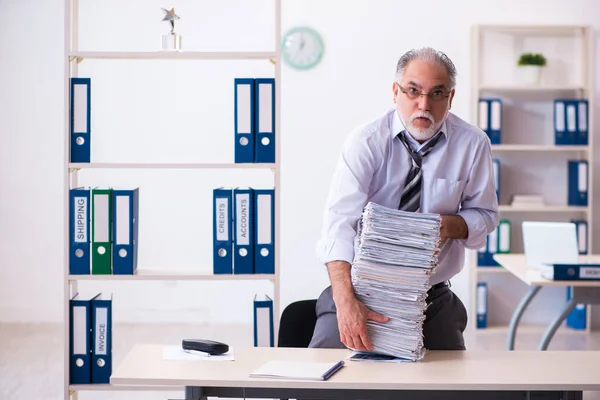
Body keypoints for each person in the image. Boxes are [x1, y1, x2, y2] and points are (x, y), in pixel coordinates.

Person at [309, 47, 499, 352]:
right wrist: (345, 302)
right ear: (396, 92)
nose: (424, 104)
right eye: (413, 91)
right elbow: (338, 226)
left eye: (437, 93)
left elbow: (486, 216)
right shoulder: (366, 141)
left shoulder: (473, 144)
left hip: (431, 296)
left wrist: (447, 226)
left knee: (452, 385)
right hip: (362, 290)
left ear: (450, 98)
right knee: (326, 376)